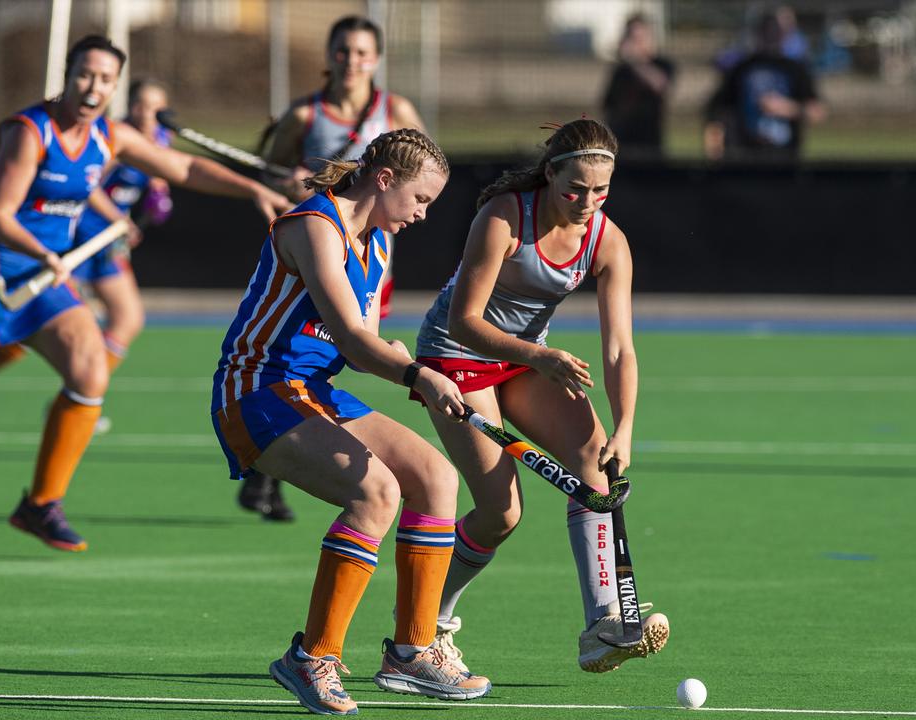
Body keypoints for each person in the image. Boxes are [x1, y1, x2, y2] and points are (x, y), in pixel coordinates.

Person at [0, 35, 289, 556]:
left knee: (89, 370)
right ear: (67, 74)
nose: (93, 87)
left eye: (105, 79)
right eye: (85, 74)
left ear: (114, 87)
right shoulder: (29, 132)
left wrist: (253, 189)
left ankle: (40, 504)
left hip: (47, 281)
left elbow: (184, 169)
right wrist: (45, 252)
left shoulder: (109, 135)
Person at [212, 128, 490, 714]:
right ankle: (311, 657)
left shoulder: (380, 242)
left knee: (436, 478)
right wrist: (414, 374)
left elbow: (364, 339)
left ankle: (413, 652)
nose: (421, 215)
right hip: (255, 391)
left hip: (314, 391)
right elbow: (353, 340)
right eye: (419, 199)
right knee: (376, 492)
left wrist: (397, 360)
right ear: (384, 179)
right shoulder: (315, 227)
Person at [410, 118, 670, 679]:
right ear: (551, 174)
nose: (586, 202)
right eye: (575, 189)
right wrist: (539, 357)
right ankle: (425, 628)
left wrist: (625, 428)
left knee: (595, 462)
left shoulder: (608, 239)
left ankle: (602, 627)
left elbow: (620, 349)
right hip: (456, 356)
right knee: (501, 513)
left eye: (600, 191)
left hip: (523, 359)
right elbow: (466, 320)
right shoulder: (504, 216)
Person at [242, 14, 427, 521]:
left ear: (377, 59)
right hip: (323, 243)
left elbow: (420, 174)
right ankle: (273, 460)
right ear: (330, 57)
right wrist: (294, 181)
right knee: (314, 336)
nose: (352, 61)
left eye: (362, 53)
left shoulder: (398, 110)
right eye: (343, 51)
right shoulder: (305, 116)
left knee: (352, 344)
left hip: (371, 251)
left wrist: (404, 367)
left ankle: (297, 441)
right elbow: (272, 177)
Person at [0, 78, 178, 432]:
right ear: (129, 105)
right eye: (140, 105)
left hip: (107, 242)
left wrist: (155, 196)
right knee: (36, 324)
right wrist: (116, 217)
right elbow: (85, 187)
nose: (147, 115)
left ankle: (77, 397)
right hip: (78, 238)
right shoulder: (112, 138)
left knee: (126, 319)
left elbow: (160, 184)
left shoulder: (163, 142)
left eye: (155, 108)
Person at [705, 10, 826, 162]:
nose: (773, 35)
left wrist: (787, 108)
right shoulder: (742, 68)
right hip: (745, 154)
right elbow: (718, 113)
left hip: (786, 156)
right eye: (770, 30)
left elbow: (817, 113)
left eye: (779, 31)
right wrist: (716, 149)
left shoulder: (796, 69)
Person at [601, 13, 675, 160]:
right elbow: (608, 105)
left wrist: (634, 61)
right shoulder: (621, 71)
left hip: (649, 142)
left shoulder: (662, 64)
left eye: (638, 39)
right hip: (621, 143)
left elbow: (659, 85)